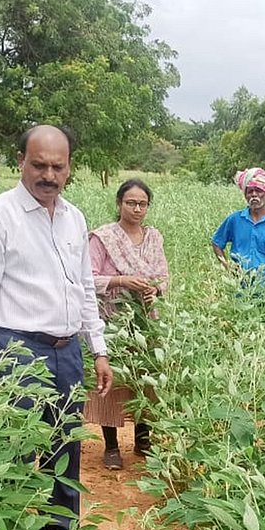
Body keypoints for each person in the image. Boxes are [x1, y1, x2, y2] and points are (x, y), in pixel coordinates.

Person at [0, 124, 113, 530]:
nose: (48, 174)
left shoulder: (74, 218)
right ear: (21, 162)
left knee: (64, 447)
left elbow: (85, 289)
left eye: (57, 166)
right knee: (13, 447)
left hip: (66, 350)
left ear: (70, 168)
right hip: (17, 349)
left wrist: (98, 348)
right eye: (39, 164)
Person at [84, 179, 169, 470]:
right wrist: (121, 281)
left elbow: (163, 276)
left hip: (146, 321)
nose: (136, 208)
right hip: (112, 322)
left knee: (145, 379)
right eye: (130, 202)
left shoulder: (153, 237)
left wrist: (154, 289)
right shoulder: (102, 237)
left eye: (142, 204)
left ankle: (143, 438)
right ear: (119, 204)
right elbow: (88, 279)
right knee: (112, 381)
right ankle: (110, 446)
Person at [212, 167, 265, 303]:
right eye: (249, 191)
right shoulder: (235, 219)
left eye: (258, 190)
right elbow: (217, 242)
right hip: (240, 288)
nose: (253, 195)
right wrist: (228, 267)